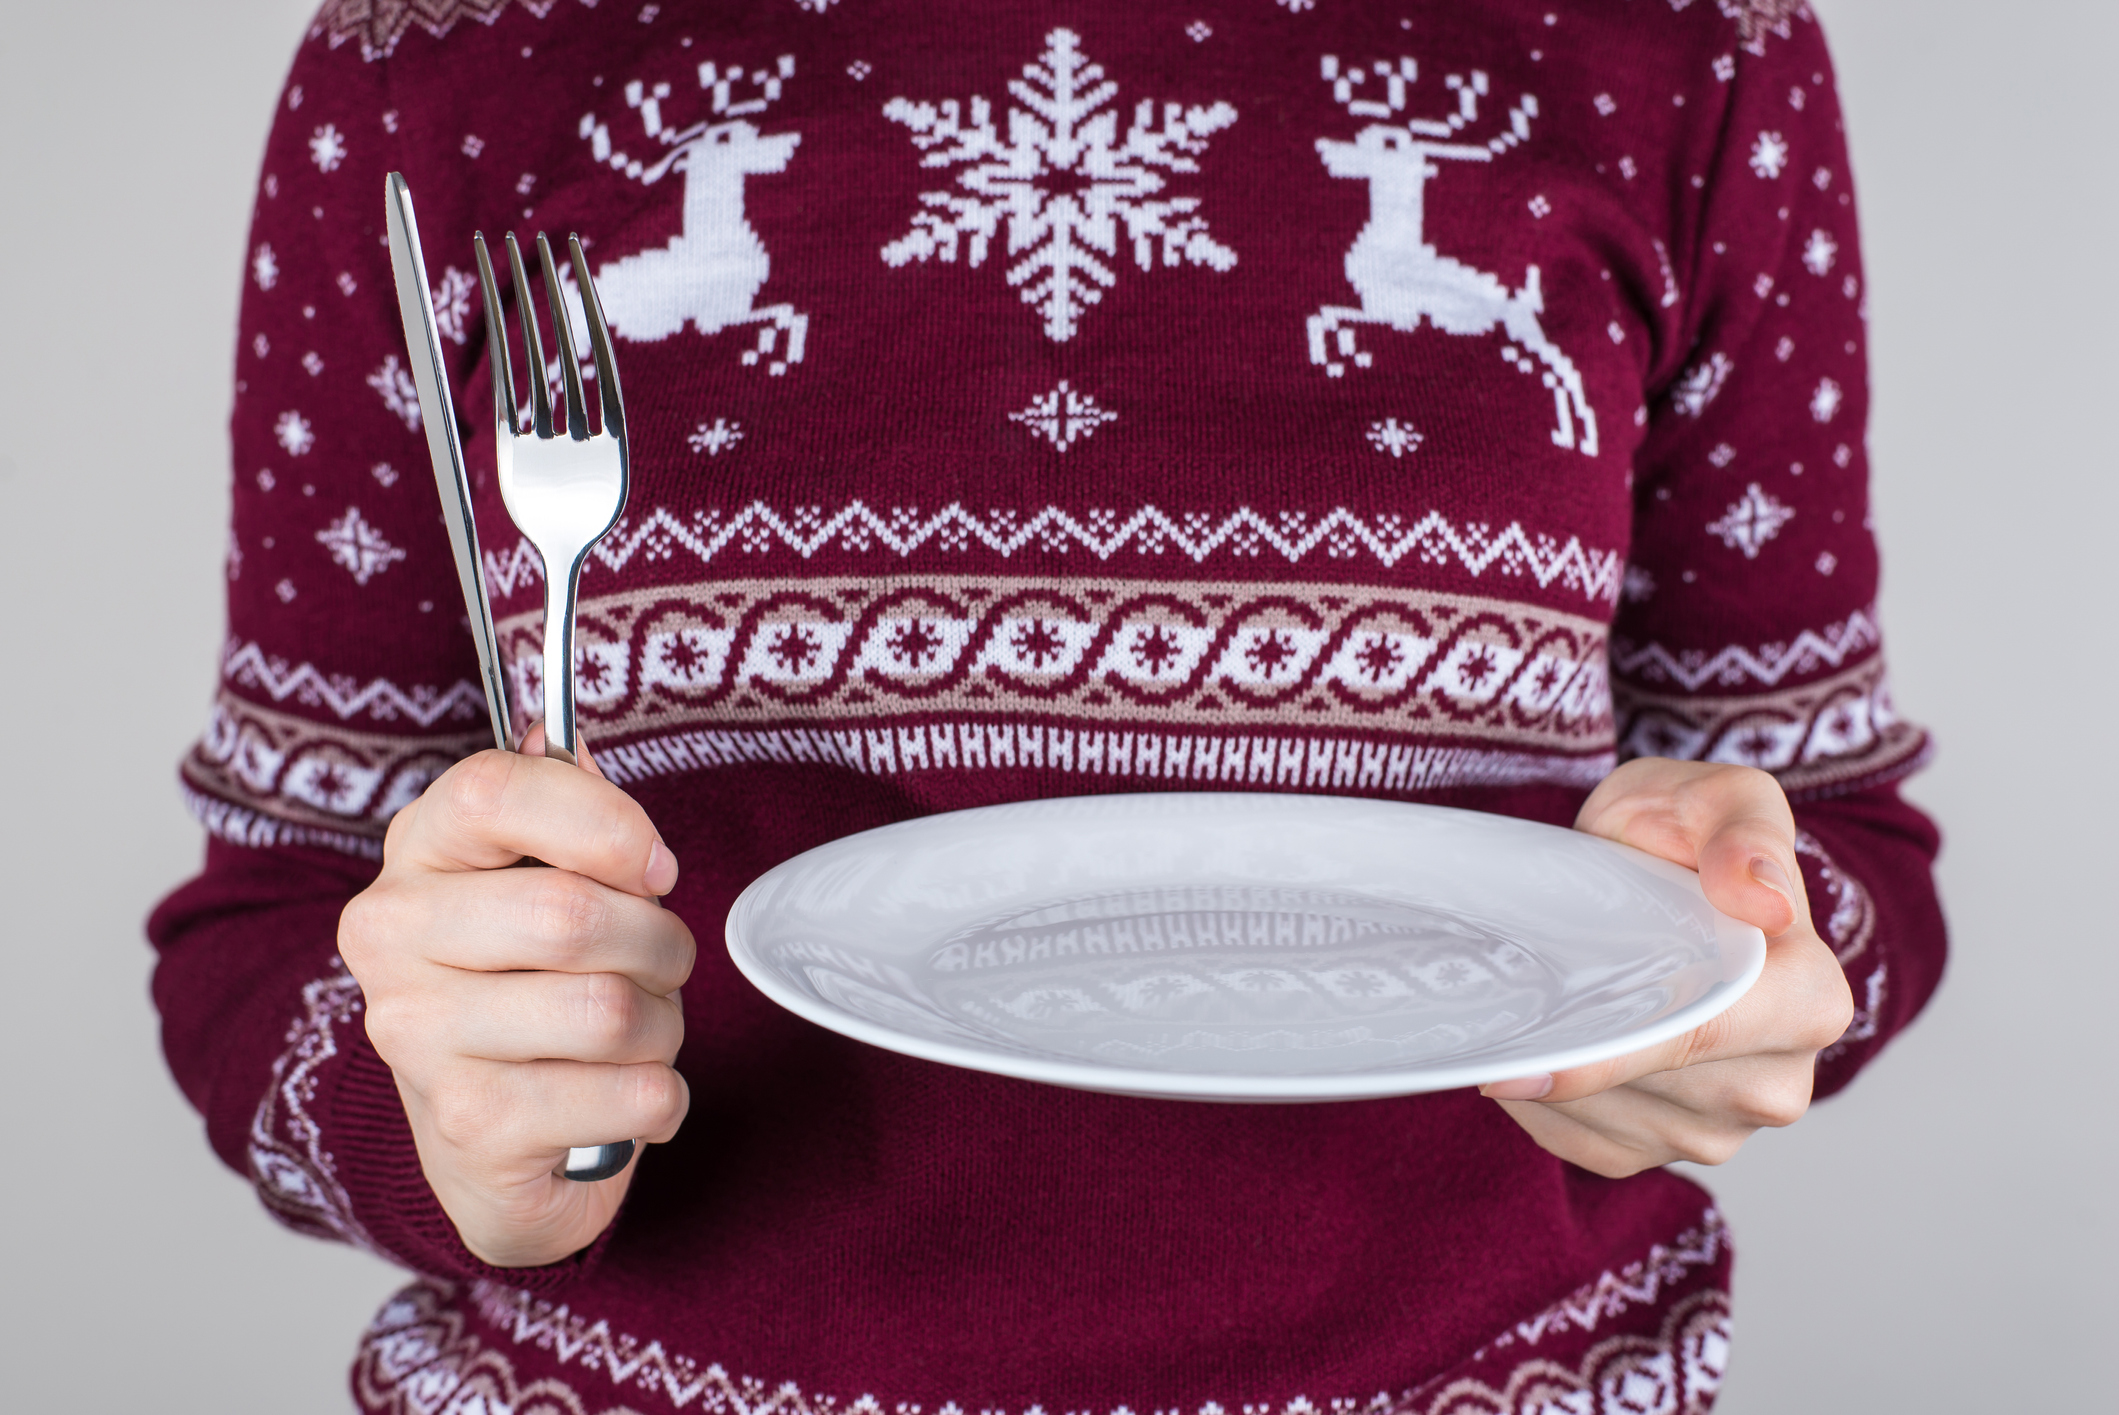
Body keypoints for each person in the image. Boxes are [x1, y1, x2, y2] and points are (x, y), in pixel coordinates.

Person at [151, 1, 1946, 1409]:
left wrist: (1735, 965)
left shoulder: (1688, 42)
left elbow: (1843, 850)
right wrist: (440, 1120)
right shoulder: (449, 51)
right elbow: (272, 920)